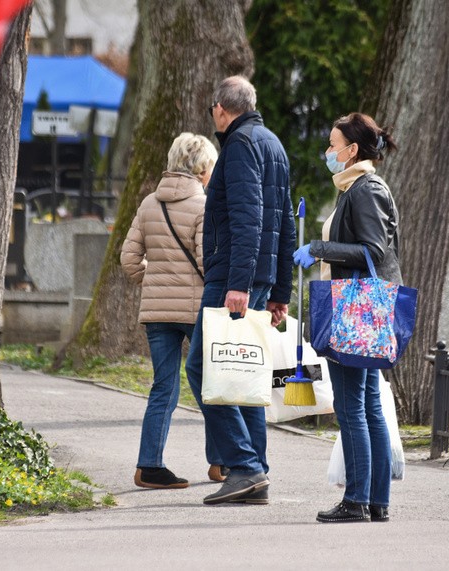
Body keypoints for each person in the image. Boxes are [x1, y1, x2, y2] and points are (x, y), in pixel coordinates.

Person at [184, 75, 296, 506]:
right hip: (255, 278)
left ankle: (245, 466)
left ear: (220, 109)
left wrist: (238, 285)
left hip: (234, 277)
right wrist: (278, 290)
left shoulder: (238, 145)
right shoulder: (272, 144)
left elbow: (248, 220)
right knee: (243, 372)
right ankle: (255, 473)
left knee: (204, 367)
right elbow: (284, 223)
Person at [292, 112, 400, 523]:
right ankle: (375, 501)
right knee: (367, 404)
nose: (328, 152)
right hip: (362, 306)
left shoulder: (364, 189)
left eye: (333, 145)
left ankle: (357, 499)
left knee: (353, 405)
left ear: (352, 150)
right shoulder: (357, 187)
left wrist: (319, 248)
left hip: (355, 308)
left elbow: (373, 251)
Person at [121, 133, 219, 489]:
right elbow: (207, 262)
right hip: (196, 311)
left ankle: (149, 465)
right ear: (202, 168)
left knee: (163, 387)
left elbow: (129, 258)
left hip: (157, 312)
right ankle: (221, 461)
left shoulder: (149, 203)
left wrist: (156, 281)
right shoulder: (203, 205)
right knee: (210, 384)